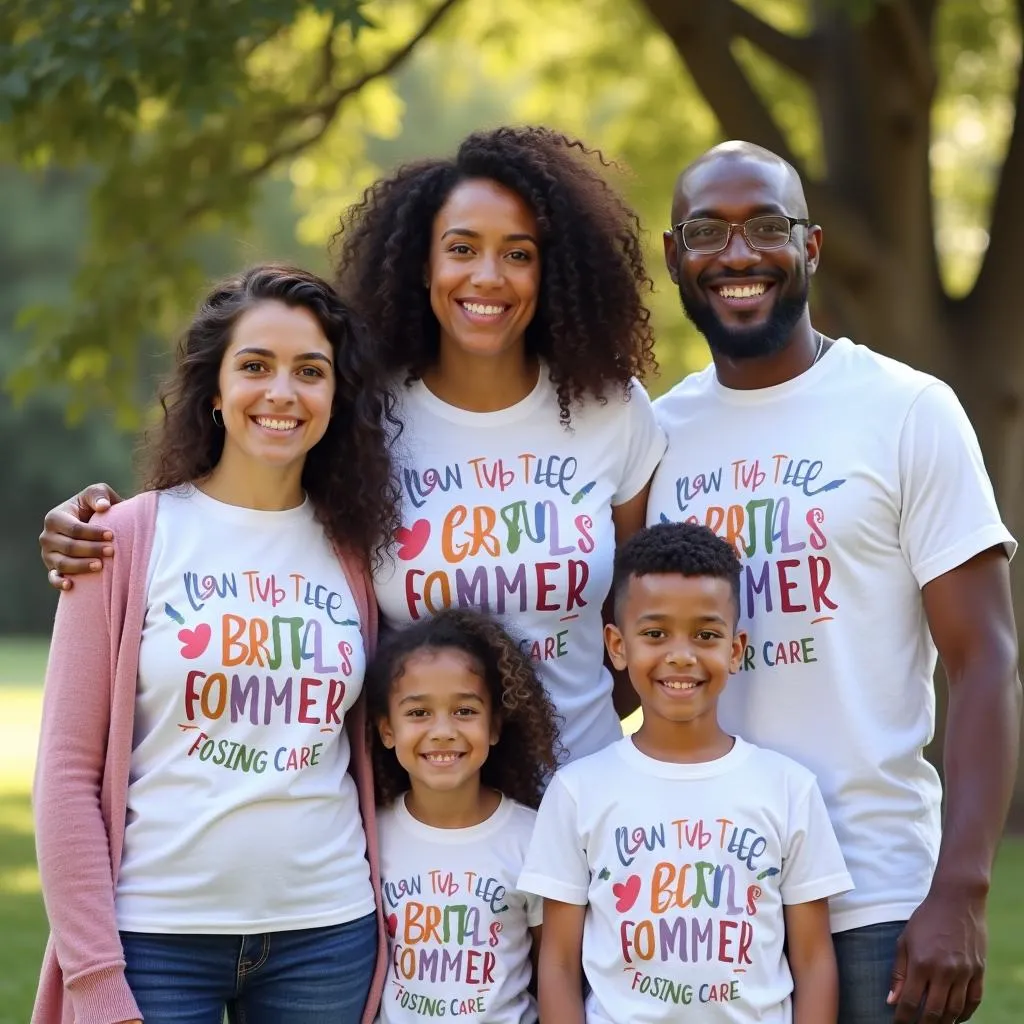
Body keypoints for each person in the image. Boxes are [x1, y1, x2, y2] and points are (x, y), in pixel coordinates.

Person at [38, 125, 667, 765]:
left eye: (518, 253)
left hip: (582, 800)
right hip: (421, 824)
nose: (487, 275)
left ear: (550, 269)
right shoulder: (364, 412)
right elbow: (246, 503)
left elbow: (640, 620)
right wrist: (106, 528)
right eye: (461, 248)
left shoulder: (609, 411)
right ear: (424, 265)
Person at [646, 141, 1020, 1024]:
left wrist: (959, 890)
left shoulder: (906, 410)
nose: (738, 255)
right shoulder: (654, 440)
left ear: (809, 248)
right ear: (674, 259)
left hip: (877, 895)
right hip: (709, 899)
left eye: (767, 227)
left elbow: (986, 659)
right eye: (708, 232)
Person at [32, 265, 396, 1024]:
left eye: (310, 371)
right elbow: (66, 773)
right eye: (255, 366)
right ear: (214, 389)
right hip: (155, 941)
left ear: (335, 395)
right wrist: (94, 976)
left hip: (325, 934)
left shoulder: (358, 555)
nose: (282, 392)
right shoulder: (123, 540)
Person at [519, 522, 852, 1023]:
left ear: (735, 649)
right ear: (617, 645)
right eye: (655, 634)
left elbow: (813, 961)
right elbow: (560, 964)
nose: (680, 654)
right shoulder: (577, 791)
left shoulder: (787, 789)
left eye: (706, 635)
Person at [365, 607, 560, 1023]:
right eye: (418, 713)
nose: (442, 730)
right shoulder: (369, 836)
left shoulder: (533, 837)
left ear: (493, 726)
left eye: (465, 711)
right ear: (386, 730)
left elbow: (555, 971)